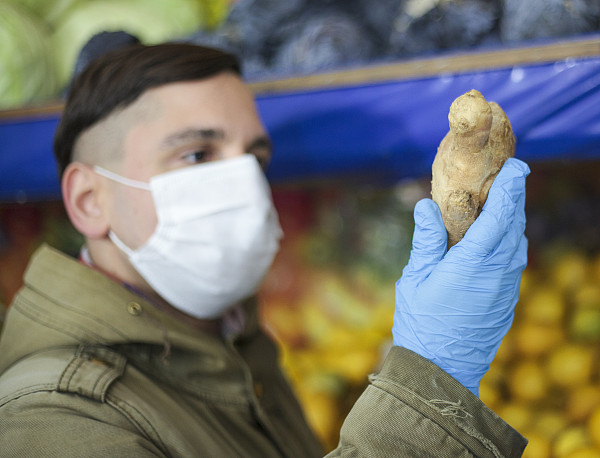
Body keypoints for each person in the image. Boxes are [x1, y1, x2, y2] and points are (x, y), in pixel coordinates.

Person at [0, 42, 530, 456]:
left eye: (254, 157)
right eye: (197, 154)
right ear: (90, 200)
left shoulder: (236, 348)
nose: (244, 183)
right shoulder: (55, 417)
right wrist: (430, 381)